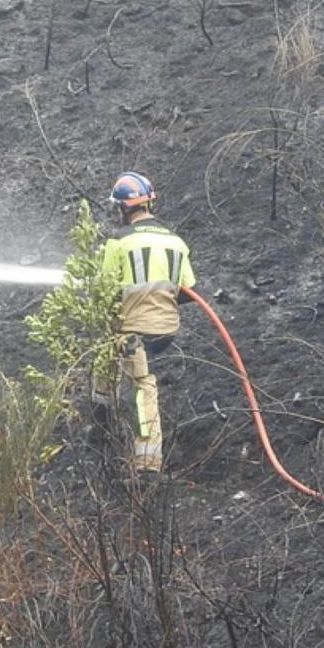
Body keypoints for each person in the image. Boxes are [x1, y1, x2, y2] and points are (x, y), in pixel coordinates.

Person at [99, 171, 197, 474]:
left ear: (122, 207)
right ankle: (102, 419)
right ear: (150, 203)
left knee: (142, 387)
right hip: (166, 330)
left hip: (133, 331)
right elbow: (188, 290)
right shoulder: (177, 243)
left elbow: (104, 291)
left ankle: (147, 461)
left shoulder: (118, 242)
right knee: (111, 356)